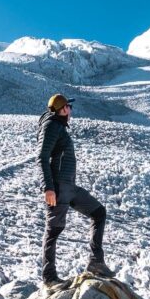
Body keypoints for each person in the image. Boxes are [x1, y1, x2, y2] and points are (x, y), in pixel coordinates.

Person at [37, 93, 114, 287]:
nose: (70, 110)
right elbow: (42, 157)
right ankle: (49, 277)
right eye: (68, 107)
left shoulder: (59, 127)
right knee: (53, 230)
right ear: (63, 109)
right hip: (59, 188)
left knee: (99, 212)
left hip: (69, 186)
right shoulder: (52, 126)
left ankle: (96, 262)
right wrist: (48, 188)